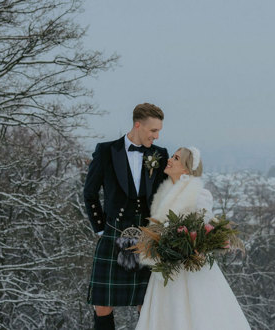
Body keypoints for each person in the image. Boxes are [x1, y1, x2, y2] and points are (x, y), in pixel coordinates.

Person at [135, 147, 251, 330]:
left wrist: (183, 243)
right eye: (172, 156)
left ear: (186, 169)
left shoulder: (198, 195)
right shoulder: (163, 194)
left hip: (190, 269)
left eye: (176, 158)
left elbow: (201, 228)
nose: (170, 160)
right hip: (165, 270)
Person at [84, 103, 169, 330]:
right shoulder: (106, 151)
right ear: (138, 125)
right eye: (153, 130)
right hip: (114, 233)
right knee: (102, 305)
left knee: (146, 303)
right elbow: (90, 193)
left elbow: (165, 195)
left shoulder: (160, 154)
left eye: (159, 131)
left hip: (146, 236)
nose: (157, 135)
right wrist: (101, 228)